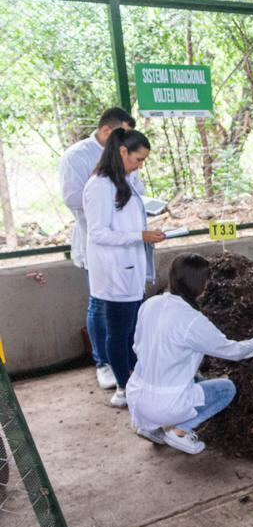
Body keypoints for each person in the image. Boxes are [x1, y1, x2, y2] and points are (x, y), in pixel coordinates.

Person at [127, 254, 253, 455]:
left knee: (196, 377)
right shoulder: (192, 321)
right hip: (165, 404)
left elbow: (138, 346)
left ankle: (150, 427)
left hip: (137, 397)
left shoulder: (150, 304)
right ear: (198, 285)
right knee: (226, 389)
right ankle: (179, 431)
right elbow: (233, 351)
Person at [83, 129, 165, 408]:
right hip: (114, 272)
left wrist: (144, 234)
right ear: (122, 152)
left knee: (130, 332)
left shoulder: (122, 181)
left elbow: (126, 221)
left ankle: (135, 380)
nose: (139, 166)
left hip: (129, 267)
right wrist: (139, 235)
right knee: (118, 333)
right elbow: (98, 233)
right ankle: (123, 388)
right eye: (138, 159)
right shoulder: (99, 186)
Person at [59, 107, 139, 390]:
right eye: (123, 135)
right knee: (100, 303)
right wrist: (111, 197)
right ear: (107, 131)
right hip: (97, 243)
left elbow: (136, 189)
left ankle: (127, 362)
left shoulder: (126, 154)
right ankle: (103, 362)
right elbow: (72, 198)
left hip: (127, 242)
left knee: (127, 306)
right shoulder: (77, 157)